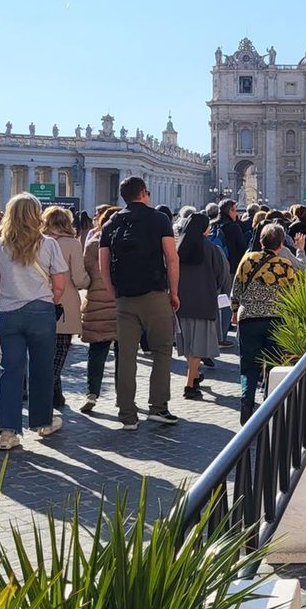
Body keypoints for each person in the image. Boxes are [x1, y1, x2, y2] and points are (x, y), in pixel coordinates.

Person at [0, 193, 69, 450]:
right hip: (41, 311)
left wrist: (6, 300)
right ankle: (43, 422)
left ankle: (7, 432)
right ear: (36, 215)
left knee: (10, 371)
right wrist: (50, 299)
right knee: (41, 370)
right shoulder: (49, 244)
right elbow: (60, 282)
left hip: (9, 313)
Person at [100, 177, 181, 430]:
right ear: (144, 194)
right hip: (155, 294)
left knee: (126, 356)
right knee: (161, 351)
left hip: (125, 297)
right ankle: (158, 407)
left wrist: (114, 292)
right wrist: (174, 292)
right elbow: (172, 259)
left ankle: (127, 414)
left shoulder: (111, 223)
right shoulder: (159, 219)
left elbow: (103, 266)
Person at [231, 223, 298, 422]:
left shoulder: (248, 259)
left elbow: (236, 289)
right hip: (276, 319)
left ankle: (246, 400)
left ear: (261, 241)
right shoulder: (284, 265)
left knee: (249, 365)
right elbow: (292, 294)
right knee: (273, 365)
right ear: (281, 244)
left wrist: (235, 311)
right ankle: (268, 406)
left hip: (249, 318)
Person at [175, 212, 230, 401]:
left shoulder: (178, 248)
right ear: (205, 229)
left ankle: (195, 374)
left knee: (188, 344)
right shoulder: (213, 250)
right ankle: (189, 385)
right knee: (197, 345)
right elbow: (222, 276)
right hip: (204, 302)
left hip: (181, 302)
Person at [43, 206, 91, 408]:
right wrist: (90, 282)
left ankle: (57, 396)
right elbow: (79, 278)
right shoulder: (72, 244)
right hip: (64, 301)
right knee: (61, 350)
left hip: (40, 299)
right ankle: (46, 389)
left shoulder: (38, 241)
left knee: (46, 350)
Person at [79, 205, 120, 413]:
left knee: (96, 351)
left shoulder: (93, 242)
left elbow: (85, 274)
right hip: (122, 303)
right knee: (124, 354)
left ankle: (92, 393)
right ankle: (123, 397)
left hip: (97, 302)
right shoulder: (126, 242)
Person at [214, 199, 250, 274]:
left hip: (214, 265)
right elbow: (242, 248)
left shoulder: (212, 225)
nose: (236, 214)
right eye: (235, 211)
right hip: (230, 266)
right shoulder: (234, 227)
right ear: (230, 211)